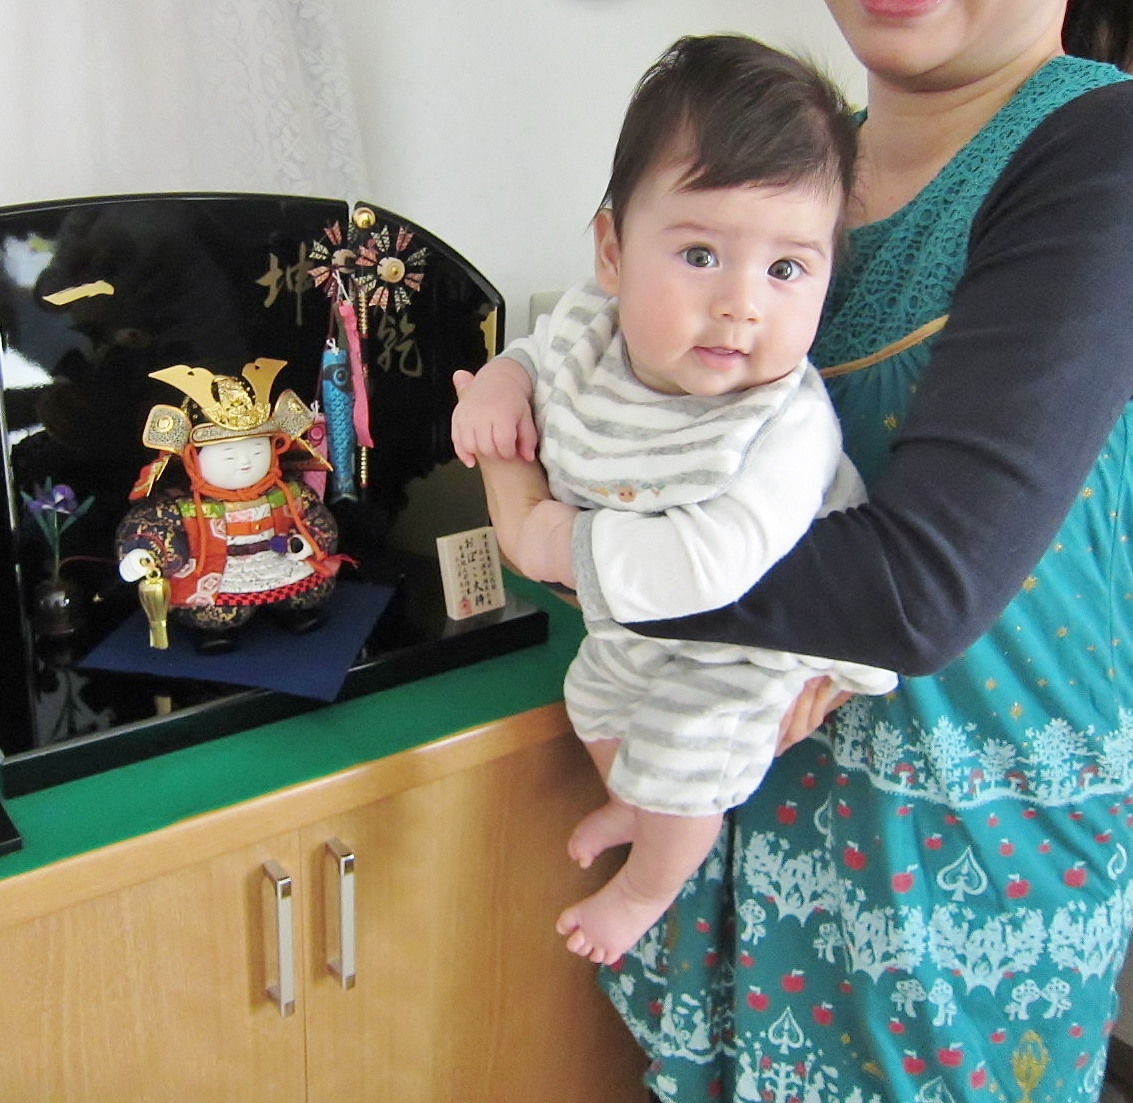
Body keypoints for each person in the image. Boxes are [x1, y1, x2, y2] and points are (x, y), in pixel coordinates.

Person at [471, 0, 1133, 1099]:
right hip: (729, 817)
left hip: (944, 880)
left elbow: (915, 594)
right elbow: (608, 403)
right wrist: (523, 457)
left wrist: (550, 534)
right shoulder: (785, 162)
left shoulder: (1100, 151)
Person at [452, 34, 898, 969]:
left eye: (786, 269)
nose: (741, 304)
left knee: (690, 749)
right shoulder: (592, 325)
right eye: (700, 253)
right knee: (592, 699)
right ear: (613, 251)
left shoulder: (783, 424)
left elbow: (712, 563)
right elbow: (538, 356)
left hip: (750, 637)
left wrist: (551, 538)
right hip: (637, 621)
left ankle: (646, 887)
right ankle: (633, 803)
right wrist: (499, 382)